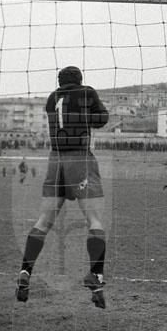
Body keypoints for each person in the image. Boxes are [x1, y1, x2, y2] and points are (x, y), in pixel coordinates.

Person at [16, 66, 110, 308]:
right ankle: (96, 274)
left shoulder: (52, 98)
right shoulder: (87, 92)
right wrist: (88, 116)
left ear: (60, 81)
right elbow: (102, 119)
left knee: (44, 221)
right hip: (79, 160)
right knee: (95, 221)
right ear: (80, 79)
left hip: (55, 161)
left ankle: (25, 271)